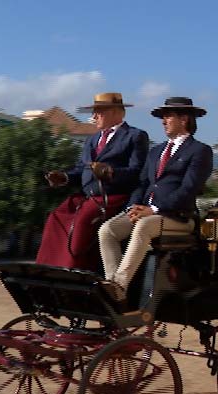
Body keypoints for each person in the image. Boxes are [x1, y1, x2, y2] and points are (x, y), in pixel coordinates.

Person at [97, 96, 214, 312]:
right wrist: (132, 207)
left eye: (168, 116)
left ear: (184, 119)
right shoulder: (155, 151)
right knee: (107, 230)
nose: (163, 121)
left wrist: (154, 209)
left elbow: (188, 190)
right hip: (148, 213)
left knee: (144, 226)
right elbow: (142, 183)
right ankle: (114, 289)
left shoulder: (200, 151)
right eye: (163, 116)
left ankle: (119, 284)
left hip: (179, 218)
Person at [36, 92, 149, 271]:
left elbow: (138, 172)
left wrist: (109, 172)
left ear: (117, 113)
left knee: (82, 221)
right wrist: (64, 177)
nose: (94, 116)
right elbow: (81, 168)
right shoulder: (92, 139)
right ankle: (47, 269)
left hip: (113, 196)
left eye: (99, 112)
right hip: (87, 196)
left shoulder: (135, 136)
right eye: (94, 112)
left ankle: (75, 271)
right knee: (55, 217)